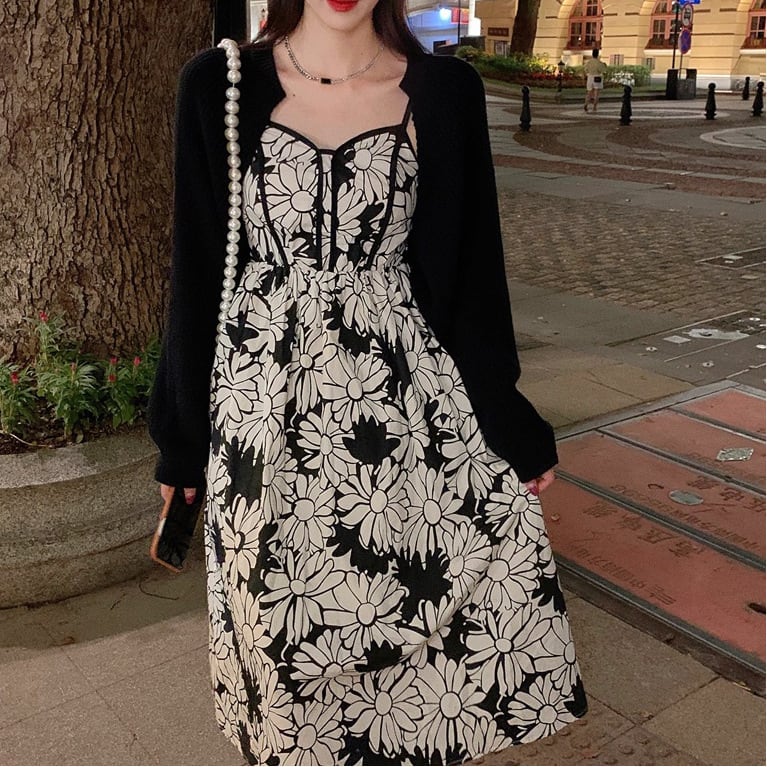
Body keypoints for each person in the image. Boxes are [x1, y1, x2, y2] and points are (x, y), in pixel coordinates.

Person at [148, 0, 587, 763]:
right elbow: (194, 274)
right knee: (287, 623)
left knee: (437, 587)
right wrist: (180, 441)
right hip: (263, 411)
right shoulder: (217, 84)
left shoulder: (444, 91)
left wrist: (509, 421)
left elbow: (469, 276)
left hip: (405, 398)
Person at [583, 48, 607, 112]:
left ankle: (586, 104)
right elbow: (603, 70)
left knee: (589, 92)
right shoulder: (599, 63)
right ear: (597, 54)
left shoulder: (589, 62)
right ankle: (594, 107)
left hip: (590, 77)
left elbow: (585, 70)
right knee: (596, 93)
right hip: (597, 77)